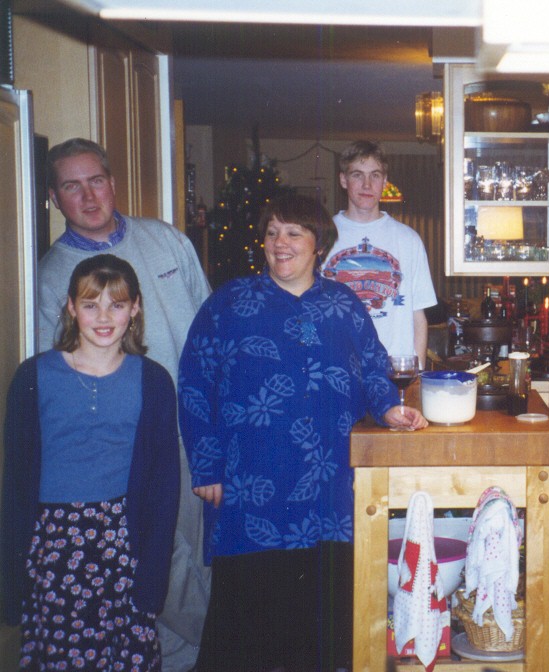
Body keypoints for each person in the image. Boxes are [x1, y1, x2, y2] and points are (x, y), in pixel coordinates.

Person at [178, 193, 427, 672]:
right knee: (249, 632)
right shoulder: (229, 303)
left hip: (328, 493)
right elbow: (194, 382)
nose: (280, 243)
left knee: (324, 630)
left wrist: (390, 409)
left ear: (319, 245)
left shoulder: (343, 304)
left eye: (293, 233)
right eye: (272, 232)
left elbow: (374, 368)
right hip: (252, 490)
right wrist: (207, 466)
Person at [37, 138, 211, 672]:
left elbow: (210, 327)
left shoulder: (166, 241)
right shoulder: (52, 276)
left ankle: (194, 657)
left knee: (196, 551)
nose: (88, 196)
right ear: (53, 198)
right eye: (72, 186)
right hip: (121, 446)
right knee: (154, 556)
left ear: (113, 183)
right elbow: (56, 376)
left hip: (191, 429)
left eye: (96, 180)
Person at [2, 254, 180, 671]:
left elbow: (164, 487)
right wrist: (11, 579)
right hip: (53, 548)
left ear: (135, 308)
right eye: (89, 304)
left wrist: (152, 577)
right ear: (70, 307)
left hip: (124, 543)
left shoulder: (154, 381)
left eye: (116, 305)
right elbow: (15, 483)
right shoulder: (33, 377)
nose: (103, 317)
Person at [322, 140, 437, 368]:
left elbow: (418, 318)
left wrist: (417, 374)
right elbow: (307, 310)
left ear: (384, 182)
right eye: (357, 175)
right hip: (336, 368)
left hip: (393, 371)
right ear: (343, 180)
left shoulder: (409, 239)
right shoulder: (321, 236)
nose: (367, 185)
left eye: (374, 175)